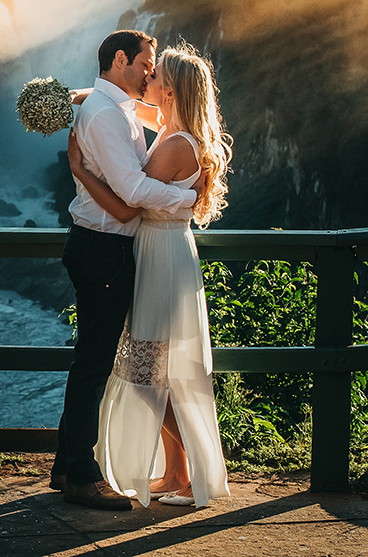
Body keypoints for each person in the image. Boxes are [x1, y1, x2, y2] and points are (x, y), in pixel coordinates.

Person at [67, 42, 232, 508]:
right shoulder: (173, 130)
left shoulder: (176, 144)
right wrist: (83, 95)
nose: (147, 78)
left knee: (149, 369)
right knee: (158, 368)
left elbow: (130, 198)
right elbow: (124, 108)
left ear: (172, 90)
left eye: (155, 75)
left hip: (160, 256)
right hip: (164, 250)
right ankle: (178, 472)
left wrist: (79, 168)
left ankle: (195, 472)